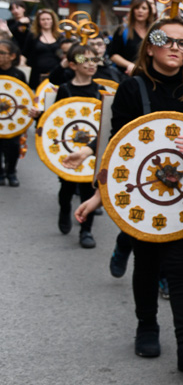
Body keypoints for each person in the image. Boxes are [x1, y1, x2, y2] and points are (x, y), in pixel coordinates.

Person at [68, 18, 183, 374]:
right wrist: (98, 197)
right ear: (150, 46)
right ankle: (147, 326)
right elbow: (115, 151)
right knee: (148, 264)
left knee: (180, 268)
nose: (175, 47)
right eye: (165, 40)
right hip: (140, 200)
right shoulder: (131, 88)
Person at [53, 43, 104, 248]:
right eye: (85, 60)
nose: (91, 64)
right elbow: (54, 121)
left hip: (91, 150)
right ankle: (65, 210)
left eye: (94, 59)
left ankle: (86, 230)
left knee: (88, 190)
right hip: (68, 147)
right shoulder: (65, 90)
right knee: (66, 188)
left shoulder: (101, 91)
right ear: (73, 65)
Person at [0, 39, 27, 186]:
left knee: (13, 147)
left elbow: (25, 97)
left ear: (12, 56)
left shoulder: (18, 74)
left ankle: (11, 171)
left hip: (12, 119)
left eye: (2, 53)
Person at [108, 0, 156, 76]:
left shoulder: (155, 32)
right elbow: (113, 55)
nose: (140, 11)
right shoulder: (122, 30)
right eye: (136, 8)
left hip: (150, 76)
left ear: (149, 12)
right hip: (127, 76)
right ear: (132, 11)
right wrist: (130, 65)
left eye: (144, 8)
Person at [24, 8, 60, 88]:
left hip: (55, 74)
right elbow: (25, 53)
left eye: (48, 19)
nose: (46, 21)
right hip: (37, 75)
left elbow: (63, 54)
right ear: (39, 22)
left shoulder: (59, 37)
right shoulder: (33, 36)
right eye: (43, 19)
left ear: (52, 21)